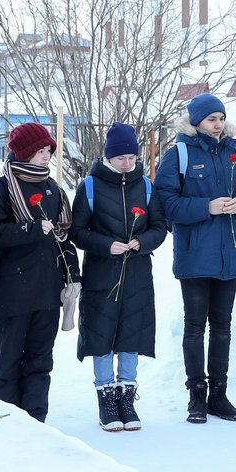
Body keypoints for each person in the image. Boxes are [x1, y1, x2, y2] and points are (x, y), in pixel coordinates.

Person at [154, 92, 236, 424]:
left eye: (222, 118)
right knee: (195, 327)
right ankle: (196, 396)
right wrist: (204, 207)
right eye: (212, 119)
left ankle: (219, 395)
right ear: (196, 121)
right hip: (194, 253)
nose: (219, 124)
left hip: (229, 252)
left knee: (222, 327)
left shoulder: (235, 152)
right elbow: (165, 203)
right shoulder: (178, 154)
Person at [70, 123, 169, 433]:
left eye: (132, 157)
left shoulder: (147, 186)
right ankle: (106, 397)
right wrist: (105, 245)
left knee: (131, 331)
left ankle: (127, 395)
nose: (128, 163)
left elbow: (160, 226)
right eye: (121, 157)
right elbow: (77, 231)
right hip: (102, 272)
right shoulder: (90, 186)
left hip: (138, 272)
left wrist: (143, 242)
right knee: (101, 333)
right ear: (108, 157)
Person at [0, 122, 78, 422]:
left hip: (47, 295)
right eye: (38, 151)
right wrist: (31, 229)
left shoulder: (54, 190)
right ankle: (5, 422)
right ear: (22, 153)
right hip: (13, 293)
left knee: (40, 362)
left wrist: (73, 276)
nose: (45, 156)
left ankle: (35, 423)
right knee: (7, 363)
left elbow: (64, 239)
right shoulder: (3, 188)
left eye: (48, 150)